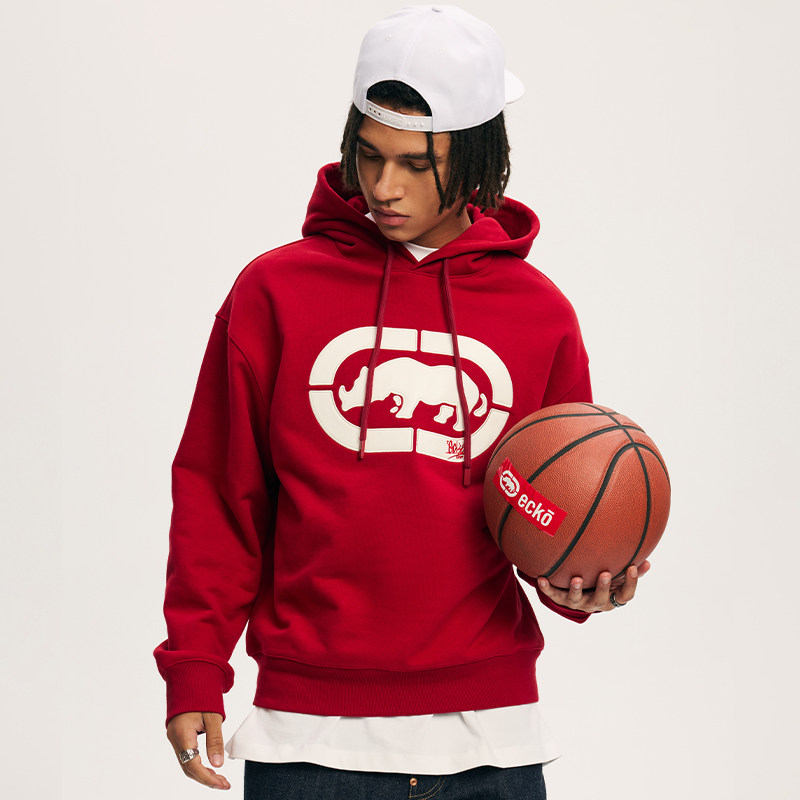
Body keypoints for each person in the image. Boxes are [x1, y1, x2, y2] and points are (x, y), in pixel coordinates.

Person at [154, 6, 649, 797]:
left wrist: (580, 579)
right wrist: (194, 668)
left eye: (418, 164)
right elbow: (220, 493)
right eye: (369, 155)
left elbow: (549, 509)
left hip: (491, 740)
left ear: (480, 154)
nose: (384, 187)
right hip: (308, 741)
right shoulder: (273, 292)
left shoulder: (539, 314)